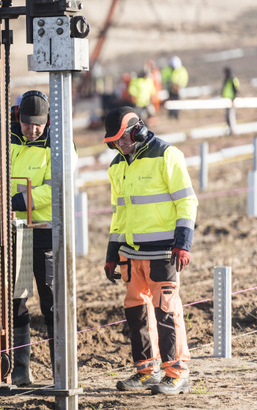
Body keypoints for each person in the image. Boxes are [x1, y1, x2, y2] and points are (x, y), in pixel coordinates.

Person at [102, 107, 198, 395]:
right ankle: (147, 370)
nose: (120, 146)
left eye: (123, 139)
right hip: (130, 256)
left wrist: (183, 243)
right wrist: (111, 253)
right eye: (115, 142)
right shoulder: (116, 167)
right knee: (136, 312)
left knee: (166, 312)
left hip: (164, 254)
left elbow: (187, 202)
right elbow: (119, 214)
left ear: (137, 130)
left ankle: (177, 373)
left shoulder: (167, 155)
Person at [9, 90, 72, 385]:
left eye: (37, 124)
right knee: (15, 302)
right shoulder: (6, 141)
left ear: (47, 121)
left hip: (46, 234)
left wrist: (18, 201)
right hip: (14, 235)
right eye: (26, 123)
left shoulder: (58, 144)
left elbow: (57, 186)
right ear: (17, 117)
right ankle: (21, 370)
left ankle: (61, 370)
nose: (31, 130)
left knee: (51, 303)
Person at [221, 67, 240, 133]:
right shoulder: (226, 80)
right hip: (226, 101)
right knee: (227, 117)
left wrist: (233, 99)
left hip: (232, 100)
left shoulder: (232, 79)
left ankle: (233, 131)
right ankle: (230, 130)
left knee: (231, 116)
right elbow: (224, 90)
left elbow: (236, 89)